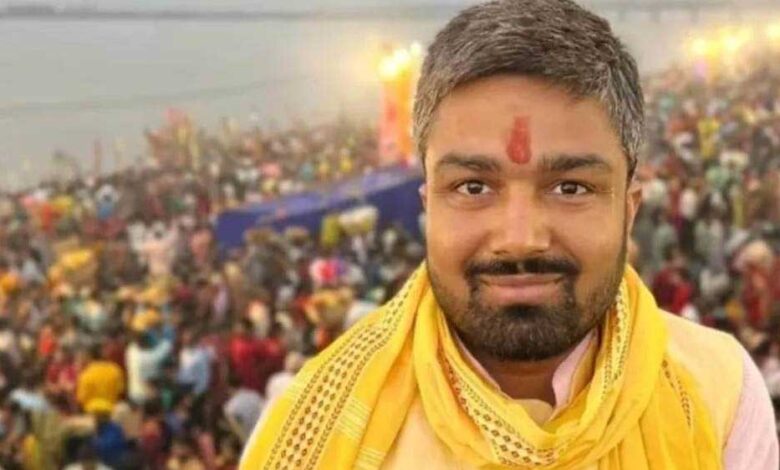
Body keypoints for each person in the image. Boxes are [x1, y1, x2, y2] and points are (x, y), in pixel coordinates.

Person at [241, 1, 778, 469]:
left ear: (629, 208)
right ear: (429, 206)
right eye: (473, 187)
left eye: (570, 187)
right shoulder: (314, 424)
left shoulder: (718, 391)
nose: (520, 239)